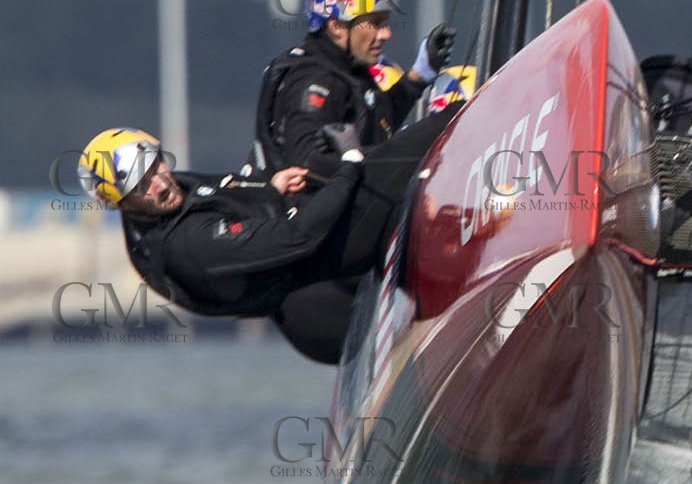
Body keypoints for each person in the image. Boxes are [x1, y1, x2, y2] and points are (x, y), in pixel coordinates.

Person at [76, 112, 456, 360]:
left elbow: (220, 191)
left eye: (156, 165)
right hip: (319, 288)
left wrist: (269, 187)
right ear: (123, 204)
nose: (160, 183)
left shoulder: (164, 202)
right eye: (143, 185)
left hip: (308, 270)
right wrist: (350, 164)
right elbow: (299, 237)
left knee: (389, 155)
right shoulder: (187, 244)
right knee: (421, 142)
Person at [251, 0, 458, 181]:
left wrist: (419, 76)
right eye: (375, 23)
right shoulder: (315, 79)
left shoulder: (346, 69)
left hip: (347, 207)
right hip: (314, 211)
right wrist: (361, 154)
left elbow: (377, 125)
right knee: (443, 122)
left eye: (386, 23)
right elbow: (304, 164)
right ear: (337, 27)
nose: (386, 34)